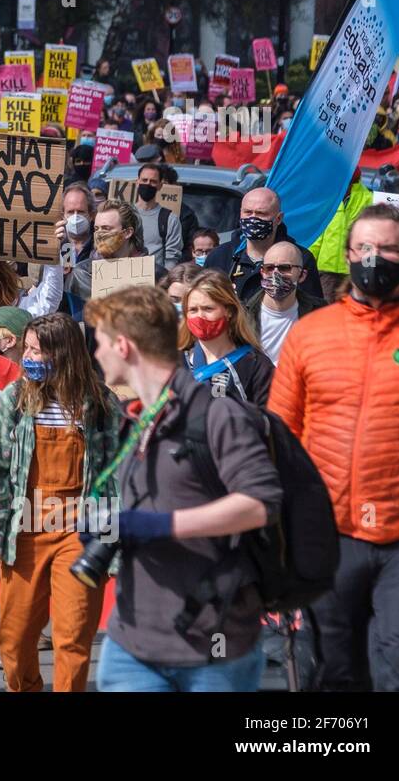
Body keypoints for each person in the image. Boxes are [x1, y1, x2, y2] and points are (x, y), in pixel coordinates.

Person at [85, 286, 281, 692]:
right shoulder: (134, 417)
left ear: (123, 346)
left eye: (100, 343)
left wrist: (159, 526)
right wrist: (106, 527)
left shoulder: (218, 414)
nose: (96, 353)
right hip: (132, 644)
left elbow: (260, 503)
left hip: (210, 646)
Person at [268, 203, 399, 690]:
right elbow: (280, 437)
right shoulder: (311, 334)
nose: (375, 258)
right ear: (349, 254)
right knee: (333, 672)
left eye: (389, 249)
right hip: (327, 535)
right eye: (365, 248)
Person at [0, 314, 122, 692]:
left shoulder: (101, 403)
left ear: (64, 354)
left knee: (73, 636)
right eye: (26, 349)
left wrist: (114, 547)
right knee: (14, 639)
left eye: (36, 350)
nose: (28, 357)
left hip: (80, 532)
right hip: (24, 529)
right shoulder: (13, 399)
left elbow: (116, 477)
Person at [204, 187, 322, 303]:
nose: (253, 219)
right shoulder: (220, 256)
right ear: (240, 214)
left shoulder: (299, 258)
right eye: (248, 212)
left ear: (279, 218)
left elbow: (313, 310)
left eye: (261, 213)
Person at [180, 270, 274, 406]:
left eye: (208, 309)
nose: (200, 317)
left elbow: (271, 420)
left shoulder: (256, 365)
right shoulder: (177, 362)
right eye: (193, 310)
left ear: (229, 311)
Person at [243, 241, 326, 365]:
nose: (276, 274)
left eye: (284, 268)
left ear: (302, 275)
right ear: (262, 272)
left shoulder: (321, 312)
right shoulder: (242, 315)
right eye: (269, 268)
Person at [68, 199, 168, 301]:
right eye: (96, 229)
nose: (99, 234)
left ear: (127, 232)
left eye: (106, 228)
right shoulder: (82, 274)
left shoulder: (156, 275)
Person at [307, 174, 373, 301]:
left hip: (355, 269)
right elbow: (318, 234)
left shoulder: (369, 199)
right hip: (326, 269)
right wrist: (308, 260)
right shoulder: (327, 199)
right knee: (326, 311)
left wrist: (369, 265)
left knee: (354, 308)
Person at [133, 163, 183, 269]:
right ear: (137, 182)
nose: (148, 184)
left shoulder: (169, 219)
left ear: (160, 185)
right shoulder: (124, 215)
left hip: (154, 280)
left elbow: (172, 258)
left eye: (153, 181)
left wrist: (164, 282)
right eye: (144, 180)